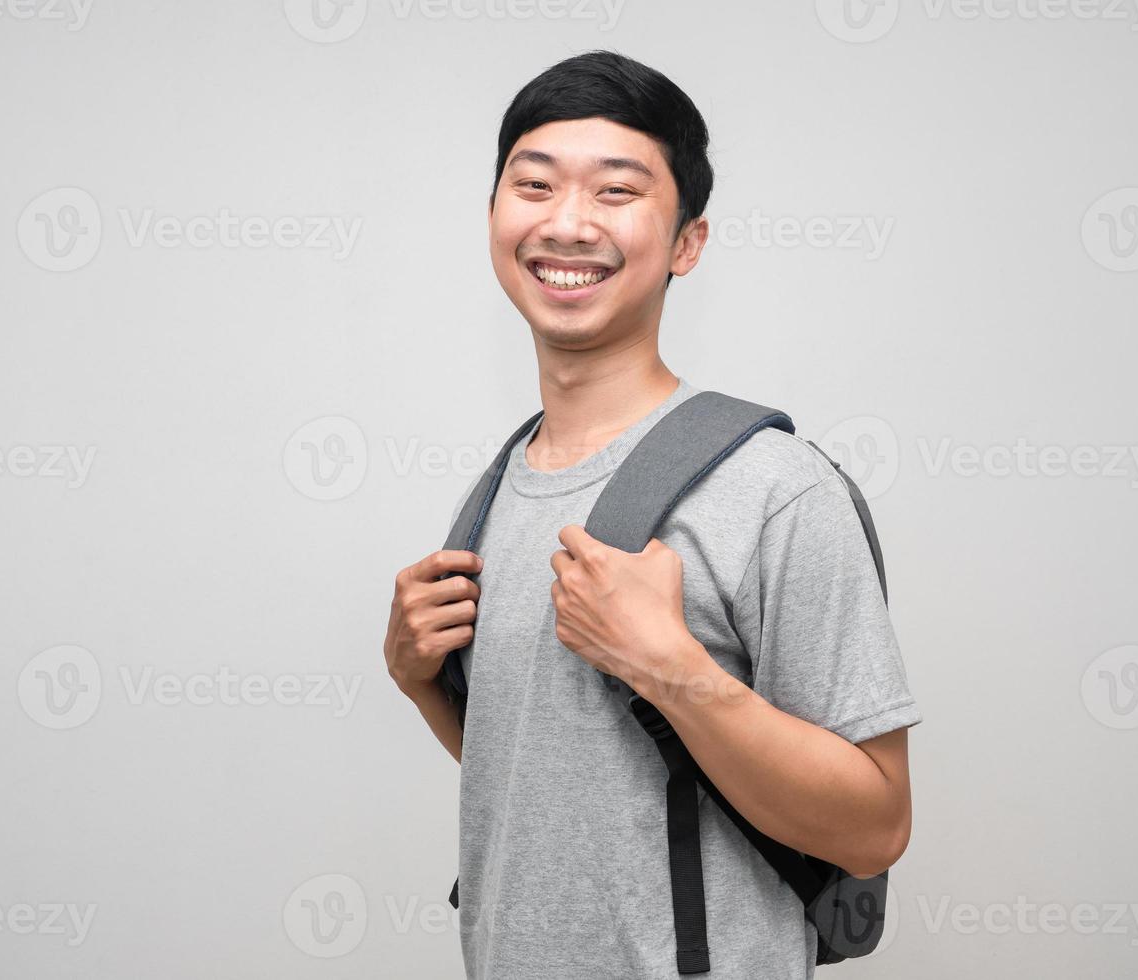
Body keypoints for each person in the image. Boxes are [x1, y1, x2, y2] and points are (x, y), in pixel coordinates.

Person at [383, 49, 922, 980]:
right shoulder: (495, 490)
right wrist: (419, 681)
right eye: (534, 184)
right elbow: (563, 778)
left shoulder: (774, 488)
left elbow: (875, 828)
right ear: (491, 218)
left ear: (686, 243)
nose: (566, 222)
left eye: (617, 191)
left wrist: (672, 669)